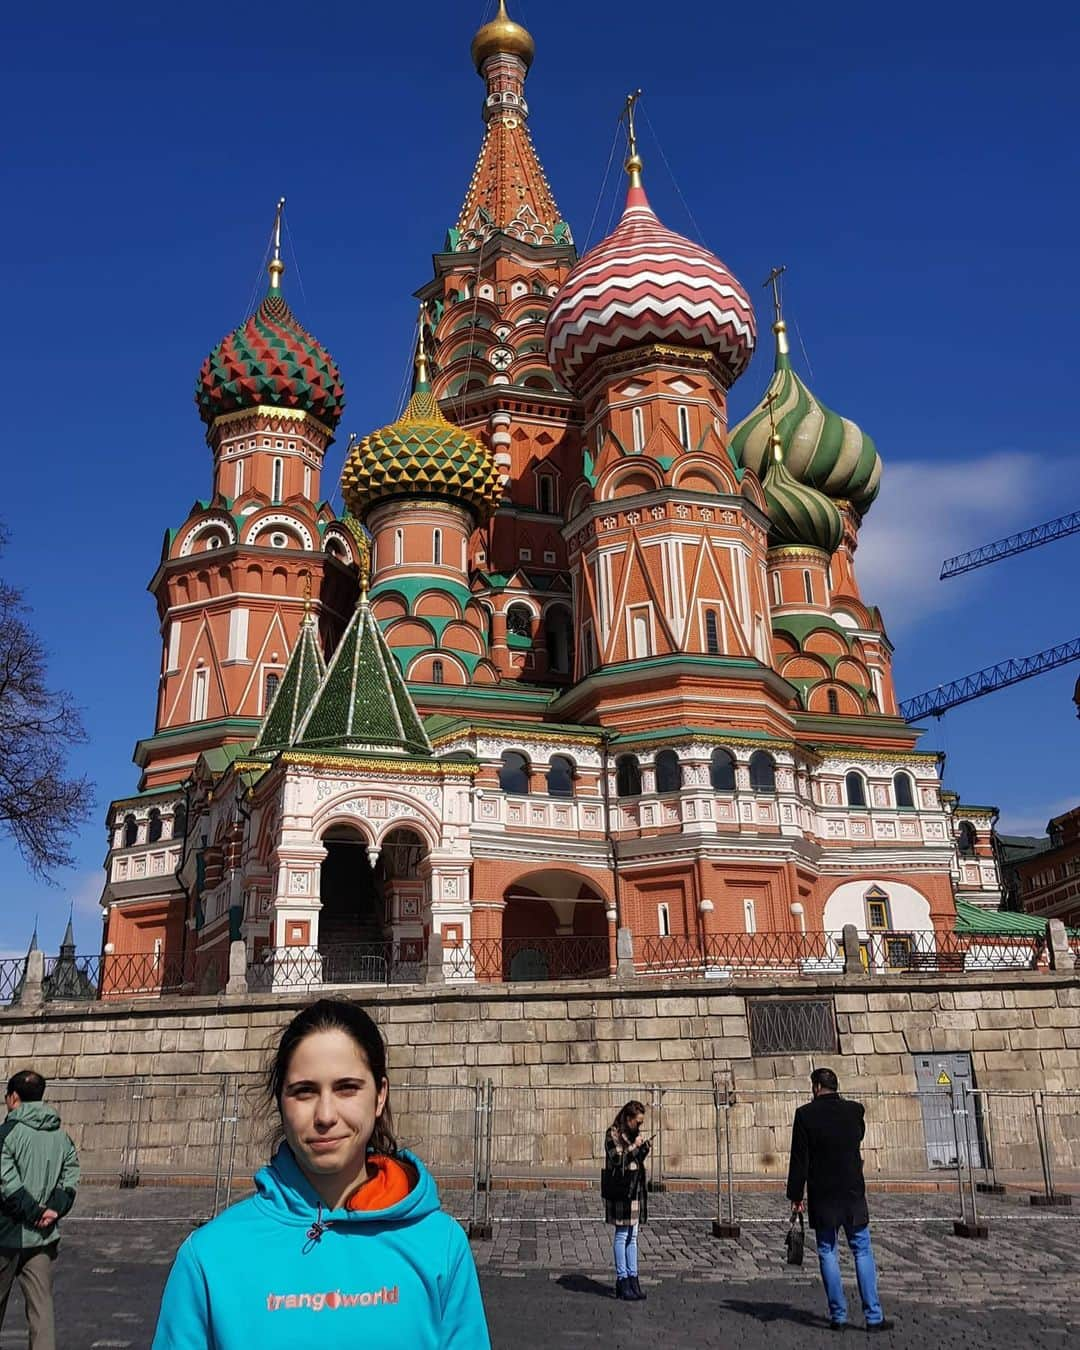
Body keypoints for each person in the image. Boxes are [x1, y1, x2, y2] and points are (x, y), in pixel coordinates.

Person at [152, 998, 490, 1348]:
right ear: (280, 1102)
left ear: (379, 1096)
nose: (325, 1115)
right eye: (304, 1092)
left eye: (347, 1088)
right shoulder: (209, 1259)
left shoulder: (441, 1246)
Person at [786, 1067, 893, 1333]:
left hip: (823, 1194)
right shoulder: (854, 1111)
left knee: (827, 1251)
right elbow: (857, 1136)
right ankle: (873, 1316)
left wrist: (796, 1196)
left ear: (816, 1087)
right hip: (852, 1191)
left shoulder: (805, 1116)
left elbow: (800, 1161)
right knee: (863, 1250)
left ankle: (838, 1316)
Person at [0, 1068, 80, 1350]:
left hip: (6, 1235)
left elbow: (5, 1182)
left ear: (13, 1097)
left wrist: (33, 1211)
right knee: (42, 1313)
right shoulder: (61, 1135)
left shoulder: (7, 1133)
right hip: (43, 1237)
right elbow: (70, 1177)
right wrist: (53, 1210)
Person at [603, 1099, 650, 1302]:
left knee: (634, 1236)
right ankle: (622, 1280)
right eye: (637, 1122)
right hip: (621, 1191)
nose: (639, 1126)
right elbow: (617, 1160)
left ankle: (633, 1278)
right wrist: (633, 1148)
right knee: (622, 1235)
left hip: (635, 1190)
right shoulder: (613, 1134)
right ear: (628, 1118)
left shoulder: (633, 1135)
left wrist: (643, 1149)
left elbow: (635, 1160)